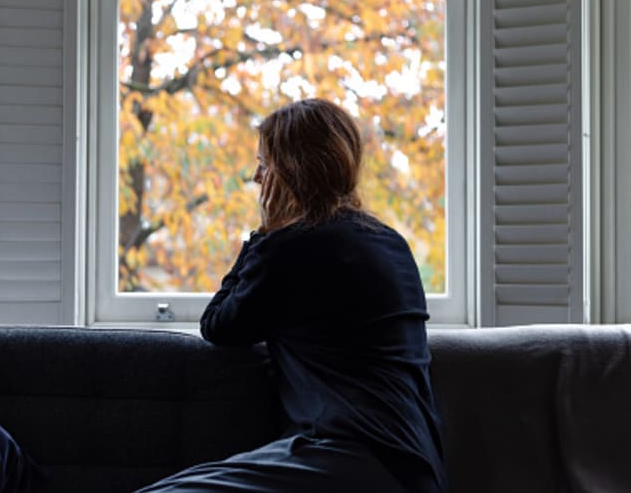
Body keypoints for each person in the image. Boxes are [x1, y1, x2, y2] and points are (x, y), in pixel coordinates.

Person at [135, 98, 447, 492]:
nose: (255, 178)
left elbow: (218, 325)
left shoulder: (292, 248)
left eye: (264, 165)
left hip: (346, 457)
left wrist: (263, 232)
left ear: (292, 171)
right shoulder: (391, 243)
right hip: (417, 467)